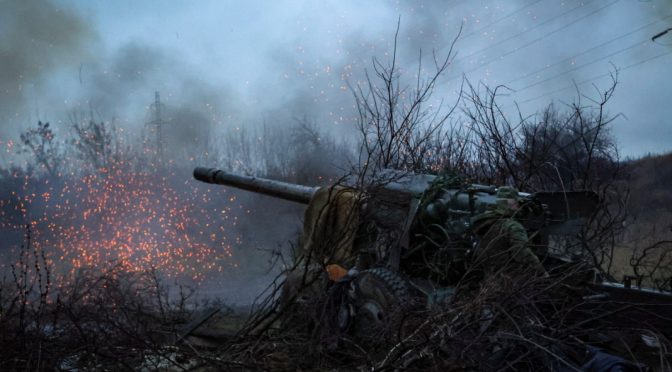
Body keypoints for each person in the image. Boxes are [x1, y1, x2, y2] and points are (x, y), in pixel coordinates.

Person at [470, 186, 547, 278]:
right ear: (509, 202)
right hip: (509, 280)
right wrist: (542, 272)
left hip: (490, 279)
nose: (518, 205)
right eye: (516, 202)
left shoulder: (487, 221)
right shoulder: (512, 226)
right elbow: (522, 253)